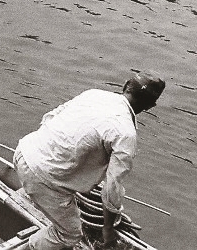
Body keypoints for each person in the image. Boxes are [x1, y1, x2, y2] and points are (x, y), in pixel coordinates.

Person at [14, 73, 165, 250]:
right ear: (150, 106)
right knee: (70, 234)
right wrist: (108, 228)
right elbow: (112, 188)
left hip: (24, 151)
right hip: (41, 179)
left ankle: (30, 192)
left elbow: (49, 117)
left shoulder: (93, 94)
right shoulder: (126, 134)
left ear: (125, 85)